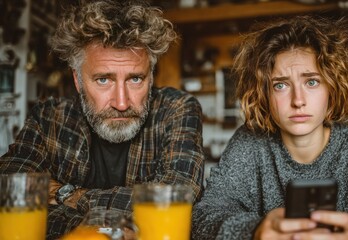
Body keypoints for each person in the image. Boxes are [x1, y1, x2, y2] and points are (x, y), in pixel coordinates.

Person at [192, 15, 348, 240]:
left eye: (312, 82)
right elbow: (202, 218)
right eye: (281, 85)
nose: (298, 100)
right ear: (263, 94)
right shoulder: (249, 144)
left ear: (333, 88)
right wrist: (253, 230)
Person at [0, 0, 205, 239]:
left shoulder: (177, 109)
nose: (121, 103)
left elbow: (178, 198)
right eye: (103, 80)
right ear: (77, 80)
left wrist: (66, 195)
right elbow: (9, 192)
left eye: (135, 79)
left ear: (151, 77)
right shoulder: (48, 118)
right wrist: (113, 230)